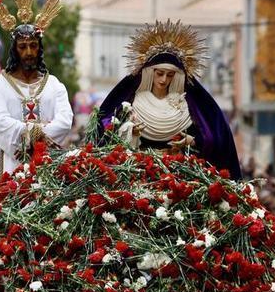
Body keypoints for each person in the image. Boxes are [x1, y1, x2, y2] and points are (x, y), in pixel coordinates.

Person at [97, 20, 241, 180]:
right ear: (150, 73)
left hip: (179, 177)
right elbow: (106, 132)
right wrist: (130, 131)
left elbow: (215, 138)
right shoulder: (132, 102)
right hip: (140, 176)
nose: (164, 80)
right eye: (159, 73)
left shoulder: (187, 105)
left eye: (170, 75)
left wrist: (192, 141)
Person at [0, 0, 72, 188]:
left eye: (33, 46)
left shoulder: (54, 85)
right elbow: (0, 123)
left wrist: (34, 140)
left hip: (46, 164)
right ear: (15, 50)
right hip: (9, 161)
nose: (28, 52)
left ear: (40, 48)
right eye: (23, 46)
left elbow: (65, 121)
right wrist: (37, 134)